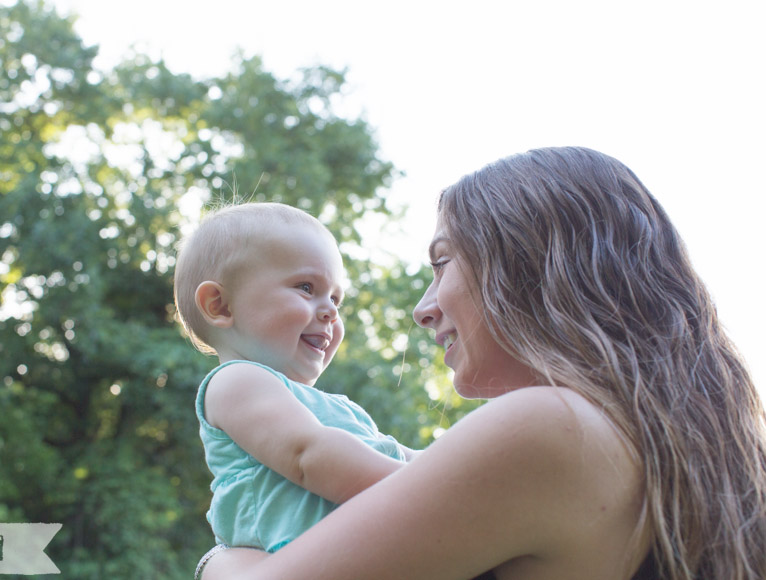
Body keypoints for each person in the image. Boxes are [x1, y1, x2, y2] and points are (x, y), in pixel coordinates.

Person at [199, 147, 766, 580]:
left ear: (532, 267)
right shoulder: (661, 444)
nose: (423, 308)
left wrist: (220, 561)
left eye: (442, 262)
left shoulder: (554, 426)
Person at [174, 203, 417, 561]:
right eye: (306, 287)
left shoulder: (336, 409)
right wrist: (429, 488)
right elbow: (310, 456)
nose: (332, 311)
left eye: (335, 298)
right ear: (221, 306)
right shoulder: (235, 382)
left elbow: (402, 454)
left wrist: (458, 463)